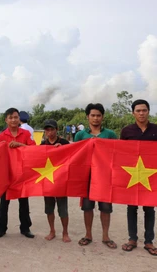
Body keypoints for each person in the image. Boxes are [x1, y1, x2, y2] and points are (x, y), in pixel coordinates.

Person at [74, 103, 117, 249]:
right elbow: (75, 154)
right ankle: (88, 234)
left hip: (105, 176)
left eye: (98, 115)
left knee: (105, 207)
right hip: (86, 176)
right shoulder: (80, 135)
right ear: (87, 117)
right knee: (87, 207)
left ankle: (106, 236)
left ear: (102, 117)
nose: (96, 118)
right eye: (93, 115)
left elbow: (117, 154)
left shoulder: (110, 134)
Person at [120, 99, 157, 256]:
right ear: (133, 113)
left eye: (144, 110)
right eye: (138, 110)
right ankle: (132, 239)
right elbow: (119, 153)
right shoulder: (127, 131)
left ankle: (149, 241)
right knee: (132, 208)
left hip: (151, 176)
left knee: (150, 208)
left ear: (148, 111)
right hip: (132, 176)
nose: (141, 113)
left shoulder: (156, 129)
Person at [0, 108, 36, 238]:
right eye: (11, 117)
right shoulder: (2, 136)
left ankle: (25, 228)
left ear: (19, 119)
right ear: (6, 120)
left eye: (16, 117)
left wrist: (20, 145)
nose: (13, 120)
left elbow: (34, 150)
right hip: (7, 173)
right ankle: (1, 228)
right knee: (4, 202)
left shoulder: (25, 134)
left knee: (23, 202)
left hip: (22, 173)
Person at [41, 119, 71, 243]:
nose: (50, 132)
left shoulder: (64, 142)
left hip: (61, 181)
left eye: (52, 129)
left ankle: (65, 232)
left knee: (63, 209)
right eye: (47, 130)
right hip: (47, 181)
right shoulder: (43, 145)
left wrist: (63, 148)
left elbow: (73, 154)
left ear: (57, 130)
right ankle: (52, 231)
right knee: (49, 208)